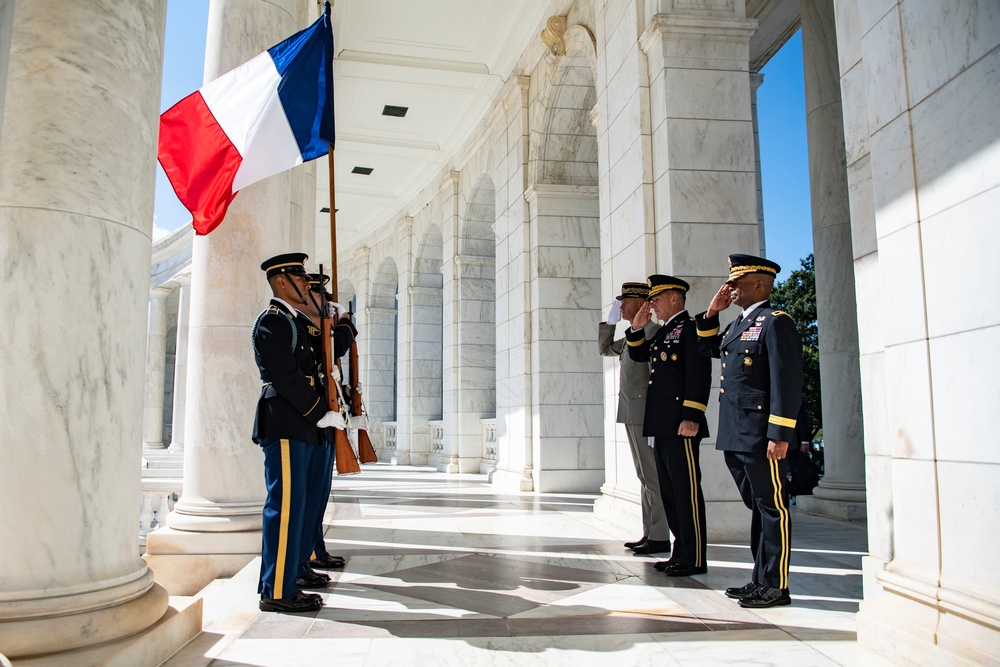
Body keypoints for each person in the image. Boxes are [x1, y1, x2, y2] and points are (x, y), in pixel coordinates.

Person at [695, 254, 803, 608]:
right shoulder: (739, 323)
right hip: (736, 433)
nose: (731, 288)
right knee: (758, 505)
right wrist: (712, 313)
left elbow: (787, 382)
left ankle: (776, 585)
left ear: (759, 284)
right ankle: (759, 579)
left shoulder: (775, 322)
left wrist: (780, 434)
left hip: (762, 435)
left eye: (738, 283)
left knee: (773, 508)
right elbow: (708, 348)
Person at [252, 253, 346, 613]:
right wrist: (320, 413)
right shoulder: (273, 323)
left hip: (302, 424)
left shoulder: (296, 323)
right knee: (286, 509)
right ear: (280, 282)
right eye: (299, 278)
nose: (307, 284)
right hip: (289, 423)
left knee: (300, 505)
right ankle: (276, 591)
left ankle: (291, 575)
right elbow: (288, 378)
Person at [626, 275, 712, 576]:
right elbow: (638, 354)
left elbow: (700, 374)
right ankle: (680, 553)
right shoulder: (664, 333)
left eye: (657, 299)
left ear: (675, 298)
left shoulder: (689, 329)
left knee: (686, 493)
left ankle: (694, 557)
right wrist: (637, 326)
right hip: (662, 425)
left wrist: (692, 416)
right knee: (671, 493)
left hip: (681, 425)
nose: (653, 305)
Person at [598, 282, 672, 555]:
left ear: (643, 304)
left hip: (645, 416)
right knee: (644, 476)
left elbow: (658, 381)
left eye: (625, 302)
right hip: (631, 412)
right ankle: (650, 532)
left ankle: (660, 536)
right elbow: (605, 349)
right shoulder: (633, 334)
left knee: (653, 477)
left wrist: (657, 420)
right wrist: (610, 322)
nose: (622, 306)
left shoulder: (654, 334)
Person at [296, 273, 356, 573]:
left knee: (319, 492)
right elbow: (341, 343)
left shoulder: (319, 328)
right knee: (309, 493)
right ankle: (307, 554)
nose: (325, 302)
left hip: (327, 418)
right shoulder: (308, 329)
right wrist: (344, 320)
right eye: (321, 297)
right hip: (314, 419)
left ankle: (315, 548)